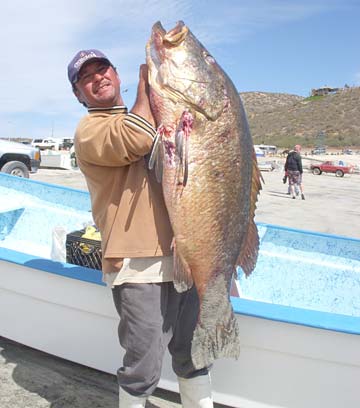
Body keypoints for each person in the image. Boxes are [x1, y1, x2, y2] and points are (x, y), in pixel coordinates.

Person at [67, 49, 213, 407]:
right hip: (136, 263)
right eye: (86, 77)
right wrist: (148, 85)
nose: (98, 78)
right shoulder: (90, 130)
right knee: (144, 365)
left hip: (185, 252)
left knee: (193, 353)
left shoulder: (153, 115)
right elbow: (137, 137)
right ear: (78, 94)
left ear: (117, 75)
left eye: (103, 70)